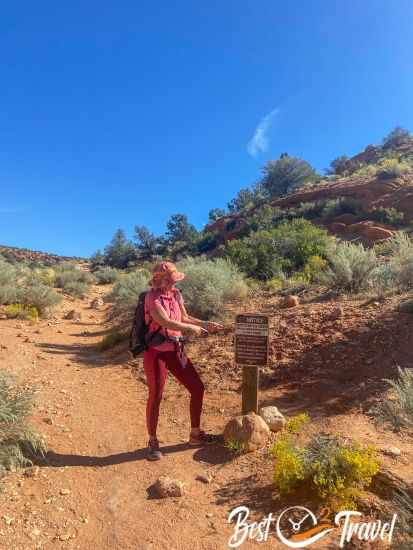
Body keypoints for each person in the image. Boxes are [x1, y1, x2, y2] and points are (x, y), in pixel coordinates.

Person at [143, 261, 224, 460]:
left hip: (175, 349)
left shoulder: (176, 294)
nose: (173, 283)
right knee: (156, 395)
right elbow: (164, 321)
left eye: (173, 279)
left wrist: (205, 323)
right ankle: (153, 441)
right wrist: (192, 329)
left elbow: (184, 317)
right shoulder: (151, 297)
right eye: (170, 280)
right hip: (156, 352)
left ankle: (195, 435)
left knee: (197, 388)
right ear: (160, 280)